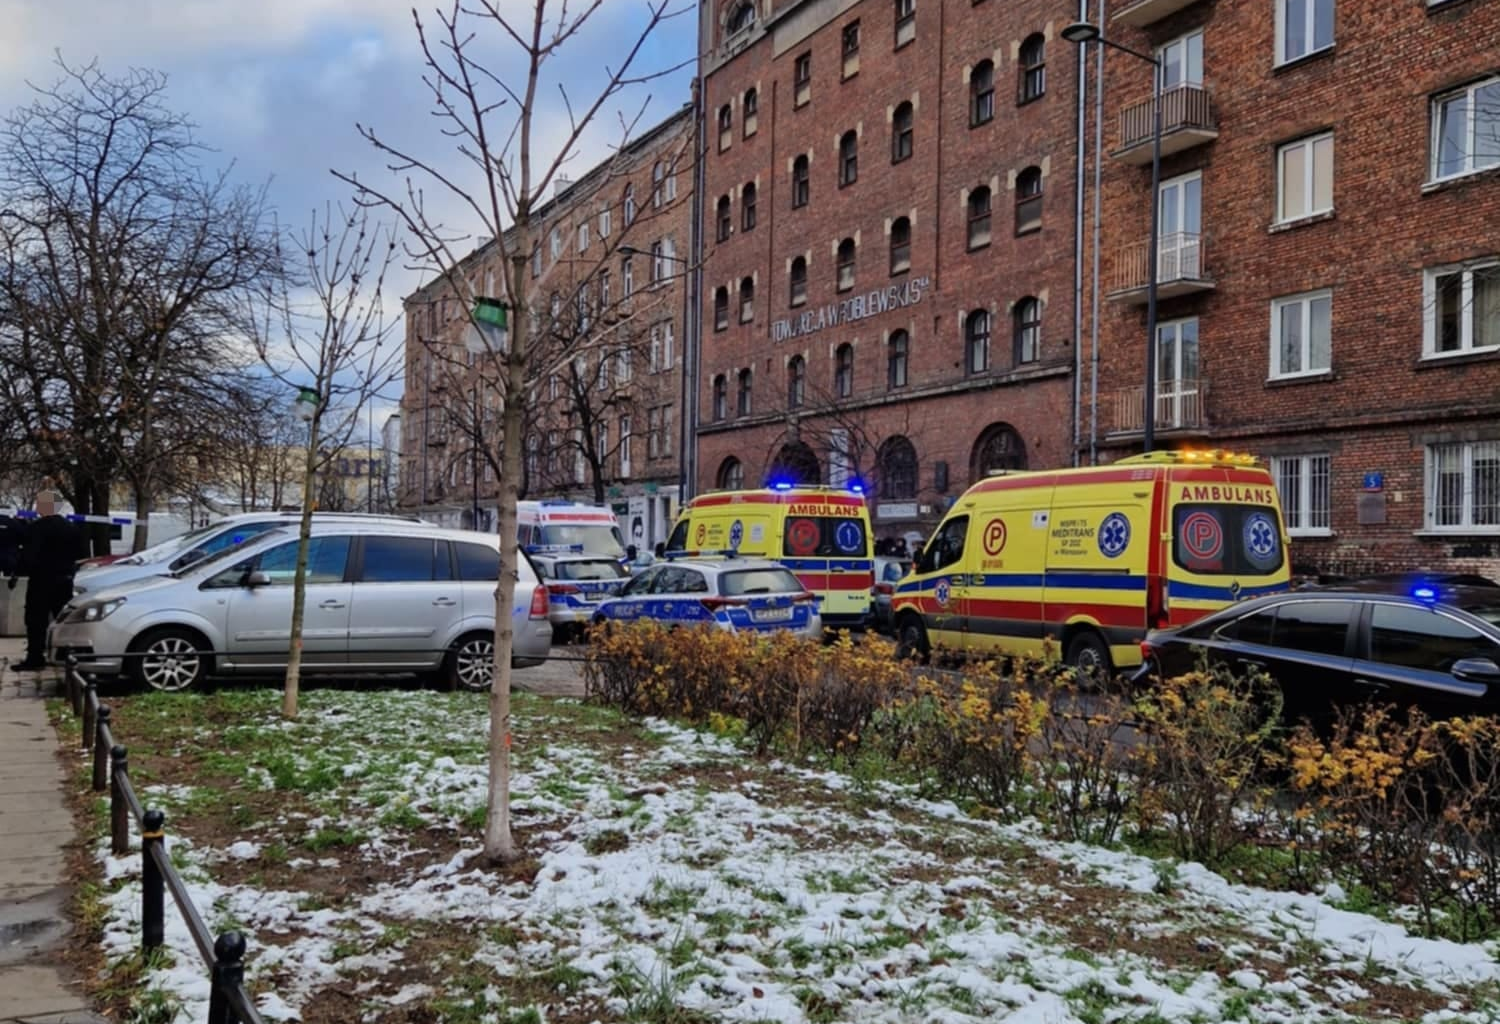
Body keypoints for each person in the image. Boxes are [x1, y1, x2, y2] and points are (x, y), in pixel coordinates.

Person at [13, 490, 87, 671]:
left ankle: (35, 657)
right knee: (63, 619)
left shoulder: (36, 528)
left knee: (36, 620)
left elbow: (28, 556)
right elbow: (81, 554)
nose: (37, 507)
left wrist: (19, 571)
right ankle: (66, 655)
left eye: (39, 504)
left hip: (41, 580)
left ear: (45, 506)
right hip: (64, 580)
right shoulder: (71, 528)